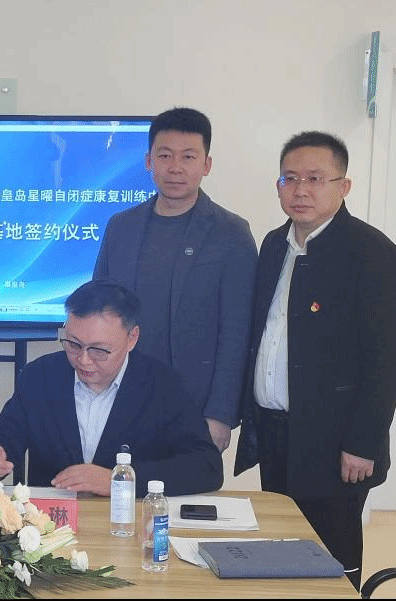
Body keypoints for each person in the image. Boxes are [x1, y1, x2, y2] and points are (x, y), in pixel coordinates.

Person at [234, 131, 396, 591]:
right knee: (280, 548)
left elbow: (387, 362)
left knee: (331, 559)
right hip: (276, 431)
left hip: (337, 444)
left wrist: (363, 443)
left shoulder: (375, 255)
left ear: (343, 186)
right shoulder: (274, 244)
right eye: (290, 179)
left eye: (315, 178)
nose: (301, 190)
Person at [94, 107, 256, 452]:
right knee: (115, 485)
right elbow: (98, 313)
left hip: (194, 406)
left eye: (188, 157)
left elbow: (237, 333)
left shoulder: (232, 234)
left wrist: (220, 415)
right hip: (121, 399)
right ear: (149, 161)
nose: (176, 167)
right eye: (165, 155)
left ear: (206, 165)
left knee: (186, 486)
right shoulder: (121, 227)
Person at [0, 279, 222, 497]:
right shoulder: (41, 375)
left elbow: (206, 467)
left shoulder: (163, 385)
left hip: (127, 521)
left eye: (99, 350)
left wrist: (120, 480)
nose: (84, 360)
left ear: (132, 338)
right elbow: (4, 437)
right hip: (52, 523)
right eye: (73, 345)